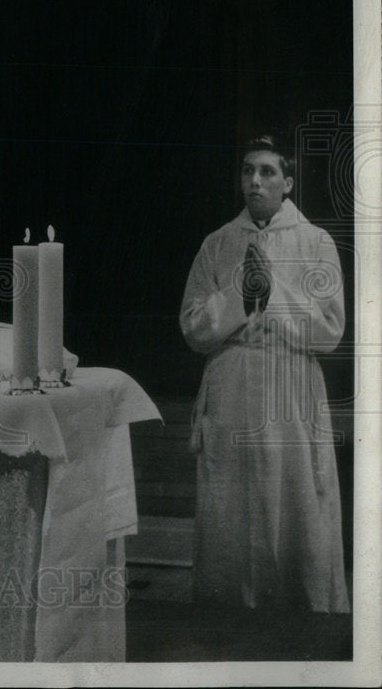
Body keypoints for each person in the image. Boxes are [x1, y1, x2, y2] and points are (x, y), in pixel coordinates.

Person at [179, 133, 349, 613]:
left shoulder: (315, 242)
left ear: (288, 183)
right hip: (231, 389)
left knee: (299, 506)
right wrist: (239, 293)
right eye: (248, 171)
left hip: (289, 390)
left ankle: (305, 623)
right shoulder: (218, 244)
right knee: (230, 507)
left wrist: (274, 291)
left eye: (268, 172)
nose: (255, 181)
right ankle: (226, 618)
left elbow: (331, 328)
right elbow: (192, 325)